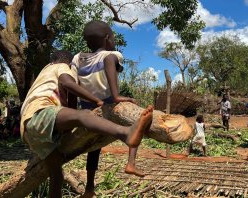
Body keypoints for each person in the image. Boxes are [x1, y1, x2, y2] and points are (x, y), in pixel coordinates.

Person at [20, 50, 153, 198]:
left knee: (56, 173)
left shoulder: (43, 73)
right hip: (40, 113)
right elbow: (67, 83)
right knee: (85, 115)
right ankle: (125, 133)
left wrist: (70, 124)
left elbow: (69, 104)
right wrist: (96, 100)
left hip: (27, 128)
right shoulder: (61, 66)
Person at [71, 20, 140, 197]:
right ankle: (131, 163)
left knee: (94, 150)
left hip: (87, 108)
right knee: (138, 123)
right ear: (108, 38)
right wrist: (117, 96)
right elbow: (109, 61)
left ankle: (89, 188)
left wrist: (73, 110)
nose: (115, 40)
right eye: (114, 37)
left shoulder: (77, 58)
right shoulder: (112, 54)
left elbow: (73, 85)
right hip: (108, 103)